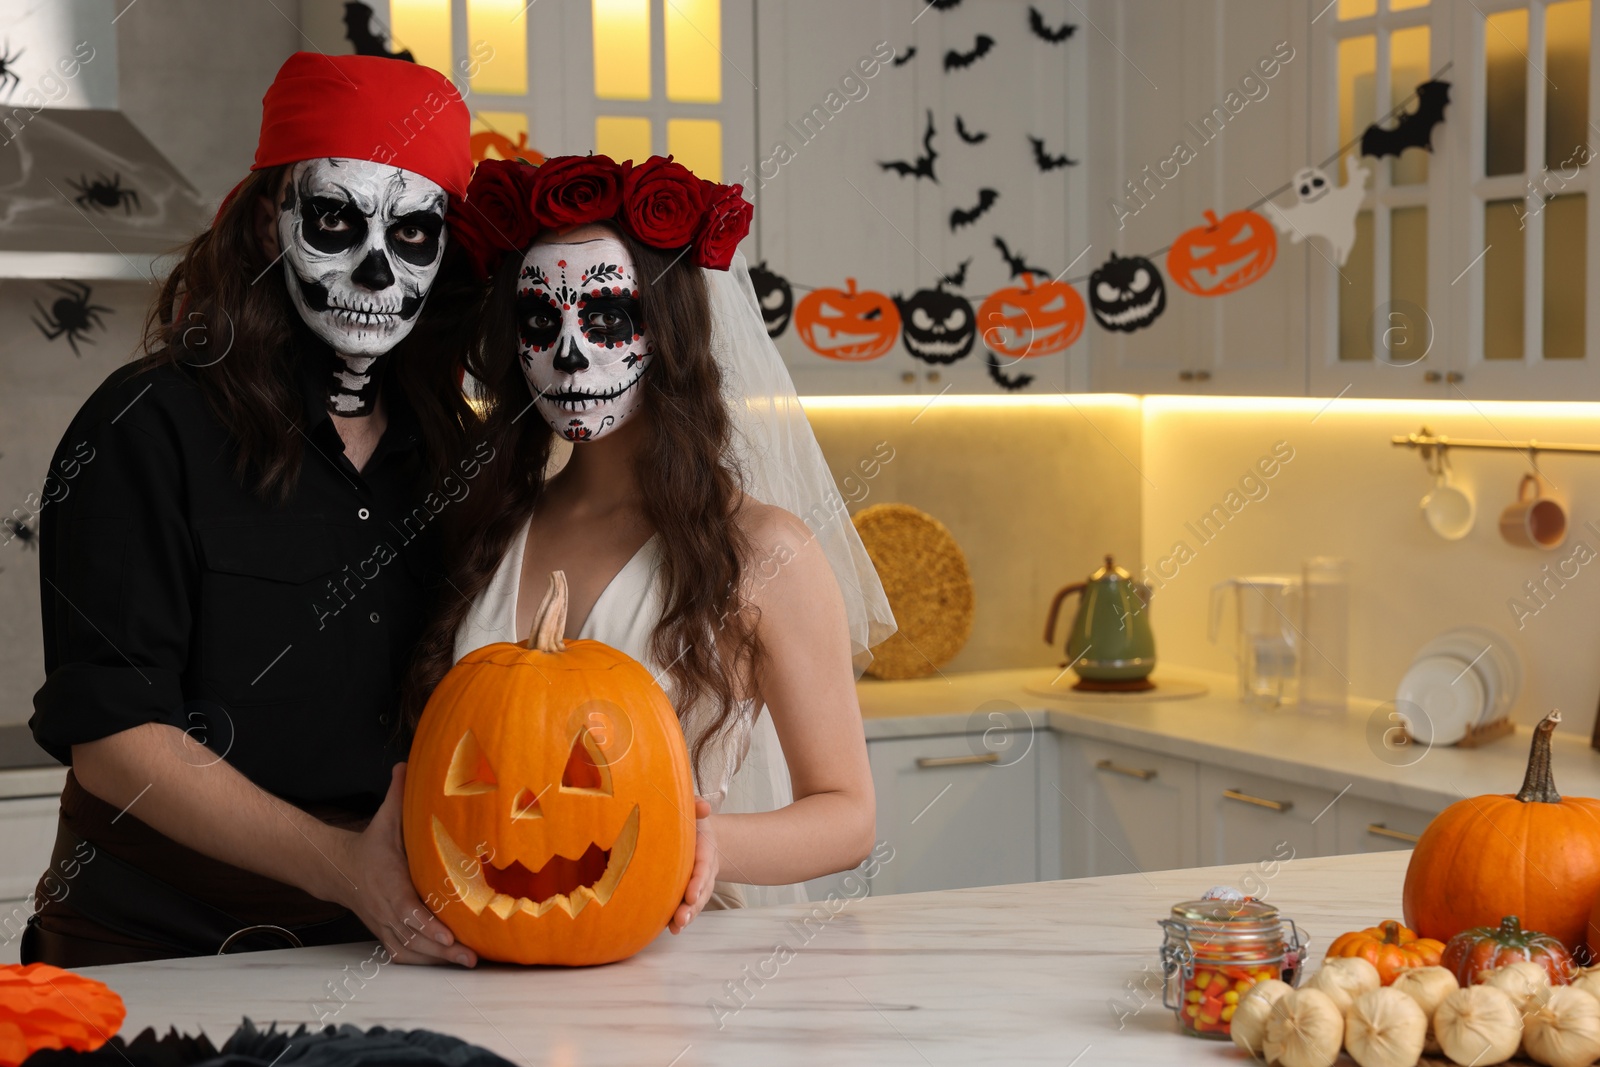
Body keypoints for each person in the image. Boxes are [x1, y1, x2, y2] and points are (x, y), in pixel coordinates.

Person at [24, 53, 485, 968]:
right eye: (335, 221)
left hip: (390, 949)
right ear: (270, 221)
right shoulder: (142, 426)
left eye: (415, 235)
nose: (375, 267)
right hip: (156, 954)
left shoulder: (457, 454)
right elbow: (115, 742)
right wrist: (344, 865)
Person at [405, 155, 897, 928]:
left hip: (674, 966)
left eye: (604, 319)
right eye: (541, 321)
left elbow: (848, 815)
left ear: (666, 331)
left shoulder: (765, 550)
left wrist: (696, 840)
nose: (569, 352)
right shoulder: (487, 524)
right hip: (481, 956)